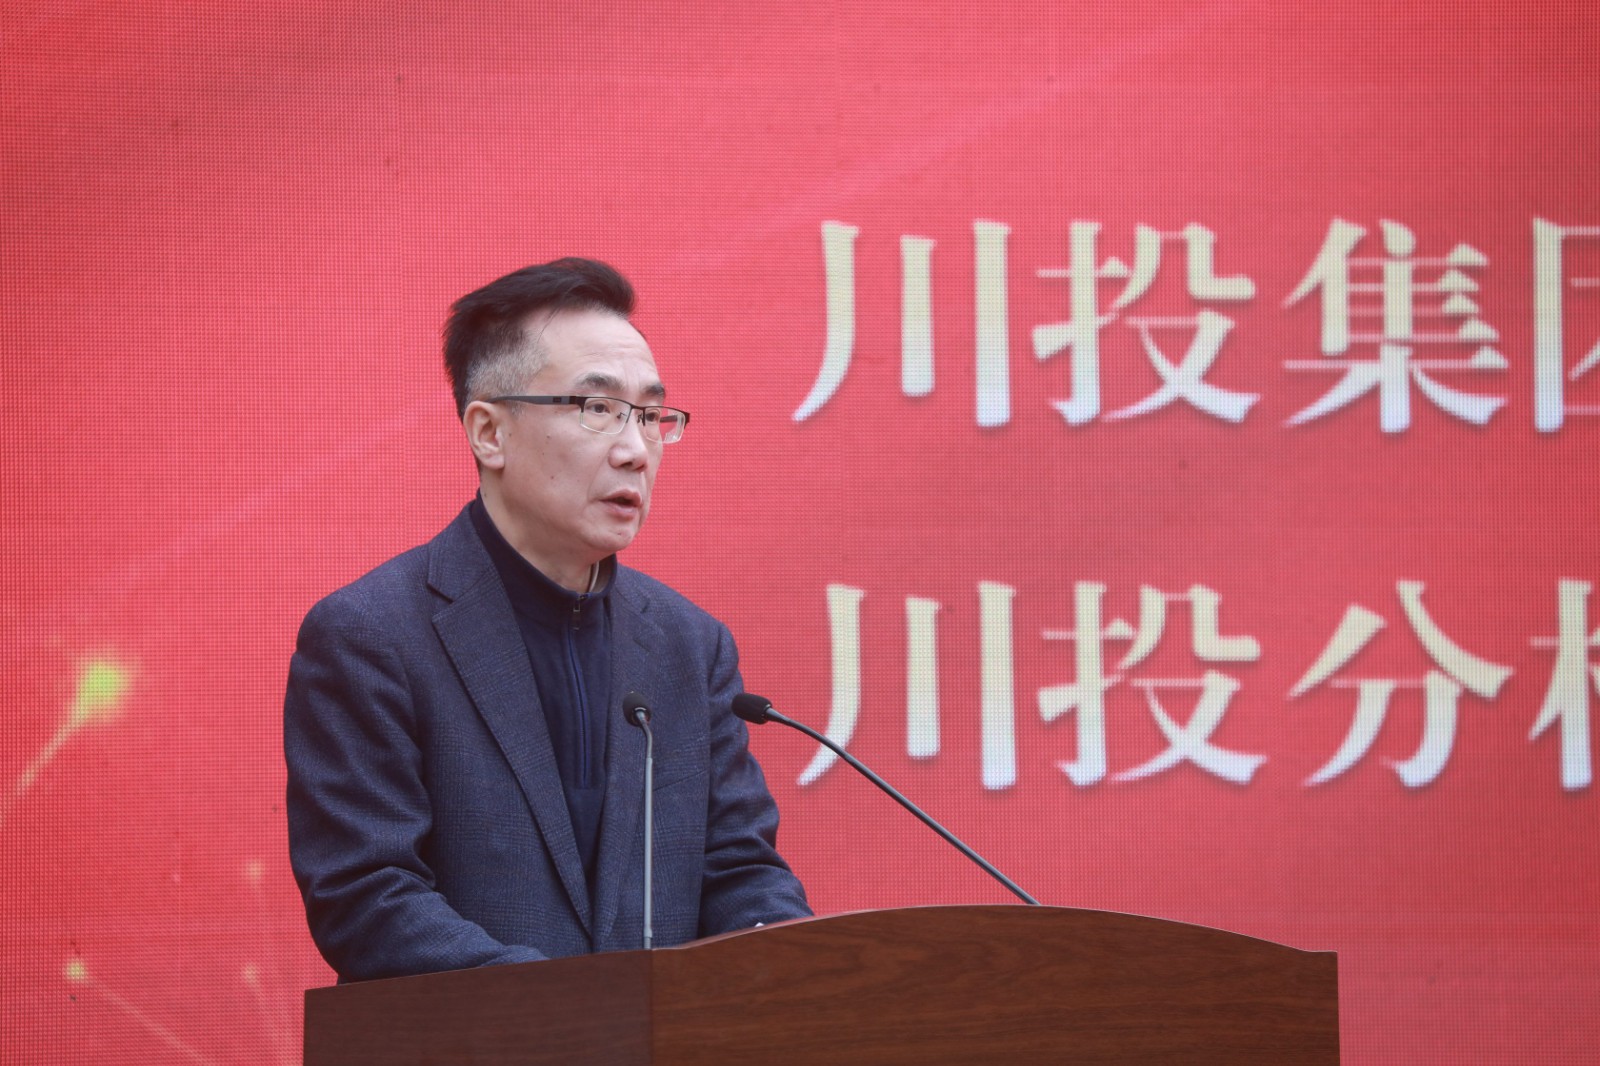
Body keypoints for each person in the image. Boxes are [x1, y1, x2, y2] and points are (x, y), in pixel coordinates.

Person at [284, 258, 810, 982]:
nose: (635, 451)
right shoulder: (372, 637)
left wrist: (795, 971)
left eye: (650, 416)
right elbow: (369, 899)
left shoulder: (691, 647)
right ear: (489, 433)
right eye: (596, 408)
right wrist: (574, 1018)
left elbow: (739, 871)